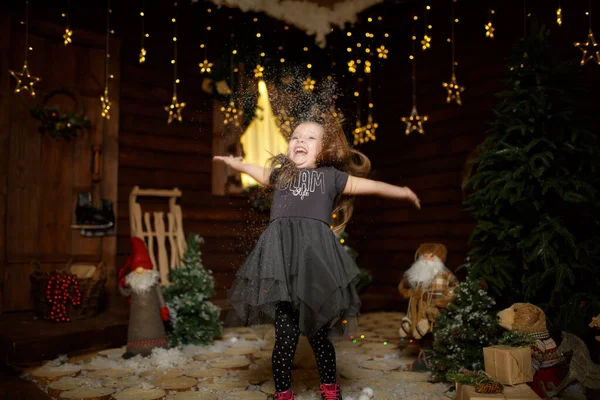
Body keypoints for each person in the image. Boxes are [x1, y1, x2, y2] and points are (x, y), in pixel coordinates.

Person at [213, 116, 420, 400]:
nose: (300, 140)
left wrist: (403, 192)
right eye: (296, 136)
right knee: (284, 338)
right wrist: (234, 163)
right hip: (282, 270)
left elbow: (369, 186)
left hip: (314, 268)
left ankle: (330, 390)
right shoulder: (280, 175)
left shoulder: (330, 178)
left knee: (320, 336)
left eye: (310, 138)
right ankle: (283, 392)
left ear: (322, 151)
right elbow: (257, 172)